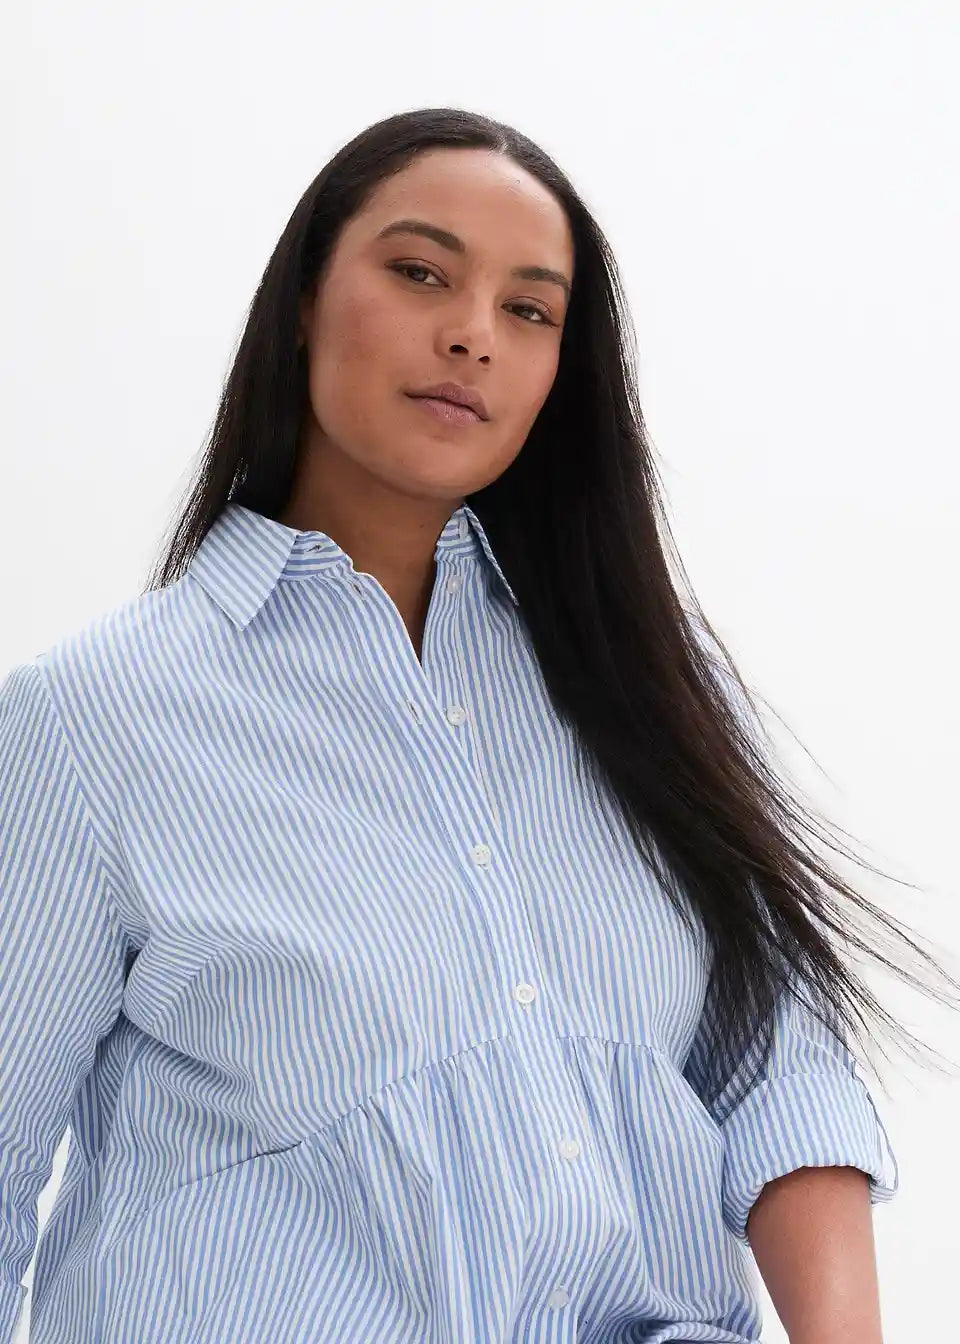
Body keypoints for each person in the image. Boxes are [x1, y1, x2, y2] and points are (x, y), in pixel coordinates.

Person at [1, 106, 957, 1344]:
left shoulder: (651, 686)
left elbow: (780, 1071)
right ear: (302, 301)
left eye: (530, 310)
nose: (473, 335)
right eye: (420, 273)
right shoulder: (90, 724)